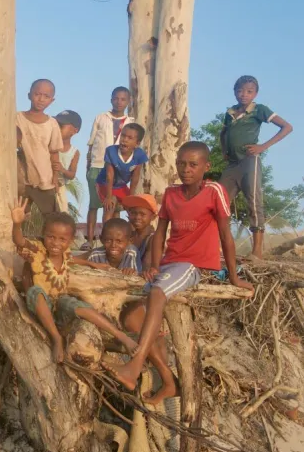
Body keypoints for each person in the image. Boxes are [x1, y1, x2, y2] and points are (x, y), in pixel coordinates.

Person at [106, 141, 254, 404]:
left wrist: (233, 277)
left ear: (206, 167)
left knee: (158, 294)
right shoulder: (171, 194)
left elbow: (225, 235)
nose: (186, 169)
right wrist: (153, 264)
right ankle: (168, 381)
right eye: (182, 163)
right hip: (169, 264)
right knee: (131, 315)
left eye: (193, 164)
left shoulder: (214, 192)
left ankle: (135, 364)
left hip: (193, 266)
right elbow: (161, 232)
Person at [11, 199, 138, 364]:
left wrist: (92, 263)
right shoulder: (38, 250)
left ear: (70, 241)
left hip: (59, 305)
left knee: (76, 304)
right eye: (51, 237)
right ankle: (56, 338)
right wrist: (17, 225)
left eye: (62, 239)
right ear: (44, 234)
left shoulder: (65, 255)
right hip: (41, 306)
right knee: (36, 292)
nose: (56, 243)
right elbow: (19, 241)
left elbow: (74, 260)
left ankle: (121, 336)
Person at [219, 75, 293, 259]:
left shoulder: (259, 110)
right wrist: (224, 150)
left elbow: (287, 127)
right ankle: (219, 248)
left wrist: (262, 147)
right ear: (235, 92)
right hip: (232, 164)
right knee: (219, 203)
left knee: (253, 201)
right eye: (240, 90)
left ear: (255, 93)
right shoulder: (230, 113)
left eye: (249, 91)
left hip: (249, 161)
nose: (244, 94)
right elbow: (224, 133)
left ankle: (257, 251)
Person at [84, 87, 134, 249]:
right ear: (111, 99)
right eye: (116, 98)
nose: (119, 102)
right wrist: (88, 165)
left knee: (115, 206)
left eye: (123, 99)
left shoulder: (131, 122)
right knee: (94, 204)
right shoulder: (101, 118)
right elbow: (91, 143)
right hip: (98, 165)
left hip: (119, 169)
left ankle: (111, 242)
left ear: (128, 102)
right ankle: (89, 241)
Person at [16, 79, 62, 218]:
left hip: (44, 178)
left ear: (51, 100)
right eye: (37, 94)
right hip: (20, 178)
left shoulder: (52, 124)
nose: (41, 99)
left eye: (46, 96)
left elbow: (54, 152)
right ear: (29, 95)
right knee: (16, 214)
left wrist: (55, 176)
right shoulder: (17, 118)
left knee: (52, 217)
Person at [96, 123, 148, 222]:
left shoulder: (139, 155)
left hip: (121, 186)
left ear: (137, 143)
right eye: (123, 135)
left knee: (133, 207)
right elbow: (109, 175)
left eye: (130, 138)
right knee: (111, 204)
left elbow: (135, 178)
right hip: (105, 184)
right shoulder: (111, 151)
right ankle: (106, 231)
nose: (125, 139)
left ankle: (131, 234)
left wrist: (131, 196)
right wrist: (108, 196)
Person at [72, 218, 139, 276]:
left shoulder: (132, 253)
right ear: (102, 239)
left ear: (129, 241)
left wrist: (131, 271)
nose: (113, 245)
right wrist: (93, 264)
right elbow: (68, 259)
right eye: (108, 240)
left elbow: (139, 276)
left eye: (119, 241)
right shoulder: (96, 254)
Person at [53, 111, 82, 214]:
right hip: (47, 183)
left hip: (60, 187)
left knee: (62, 213)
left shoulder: (74, 152)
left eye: (61, 126)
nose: (57, 128)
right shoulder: (49, 145)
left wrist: (62, 169)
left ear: (74, 130)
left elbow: (72, 174)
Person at [121, 194, 158, 273]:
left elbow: (146, 268)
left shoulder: (153, 239)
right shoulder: (130, 235)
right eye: (134, 213)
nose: (137, 217)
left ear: (153, 217)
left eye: (142, 214)